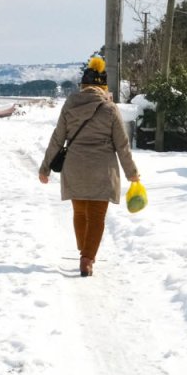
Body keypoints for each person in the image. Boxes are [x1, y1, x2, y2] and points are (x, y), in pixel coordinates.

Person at [38, 55, 140, 277]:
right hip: (102, 169)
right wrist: (132, 173)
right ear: (103, 86)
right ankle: (87, 257)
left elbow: (58, 138)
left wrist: (45, 167)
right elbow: (122, 145)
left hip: (74, 166)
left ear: (83, 85)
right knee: (96, 215)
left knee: (79, 212)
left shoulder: (70, 105)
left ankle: (83, 250)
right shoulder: (110, 108)